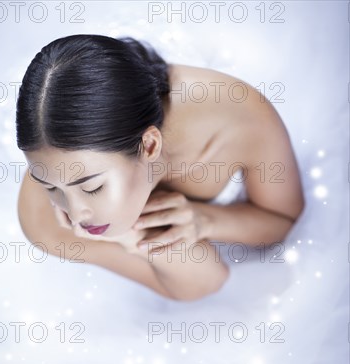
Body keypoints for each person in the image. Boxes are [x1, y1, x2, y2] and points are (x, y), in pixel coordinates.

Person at [16, 34, 304, 301]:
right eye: (50, 186)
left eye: (92, 186)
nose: (76, 214)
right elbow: (205, 283)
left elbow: (284, 222)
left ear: (151, 145)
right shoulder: (45, 222)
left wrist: (206, 219)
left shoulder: (238, 119)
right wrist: (130, 238)